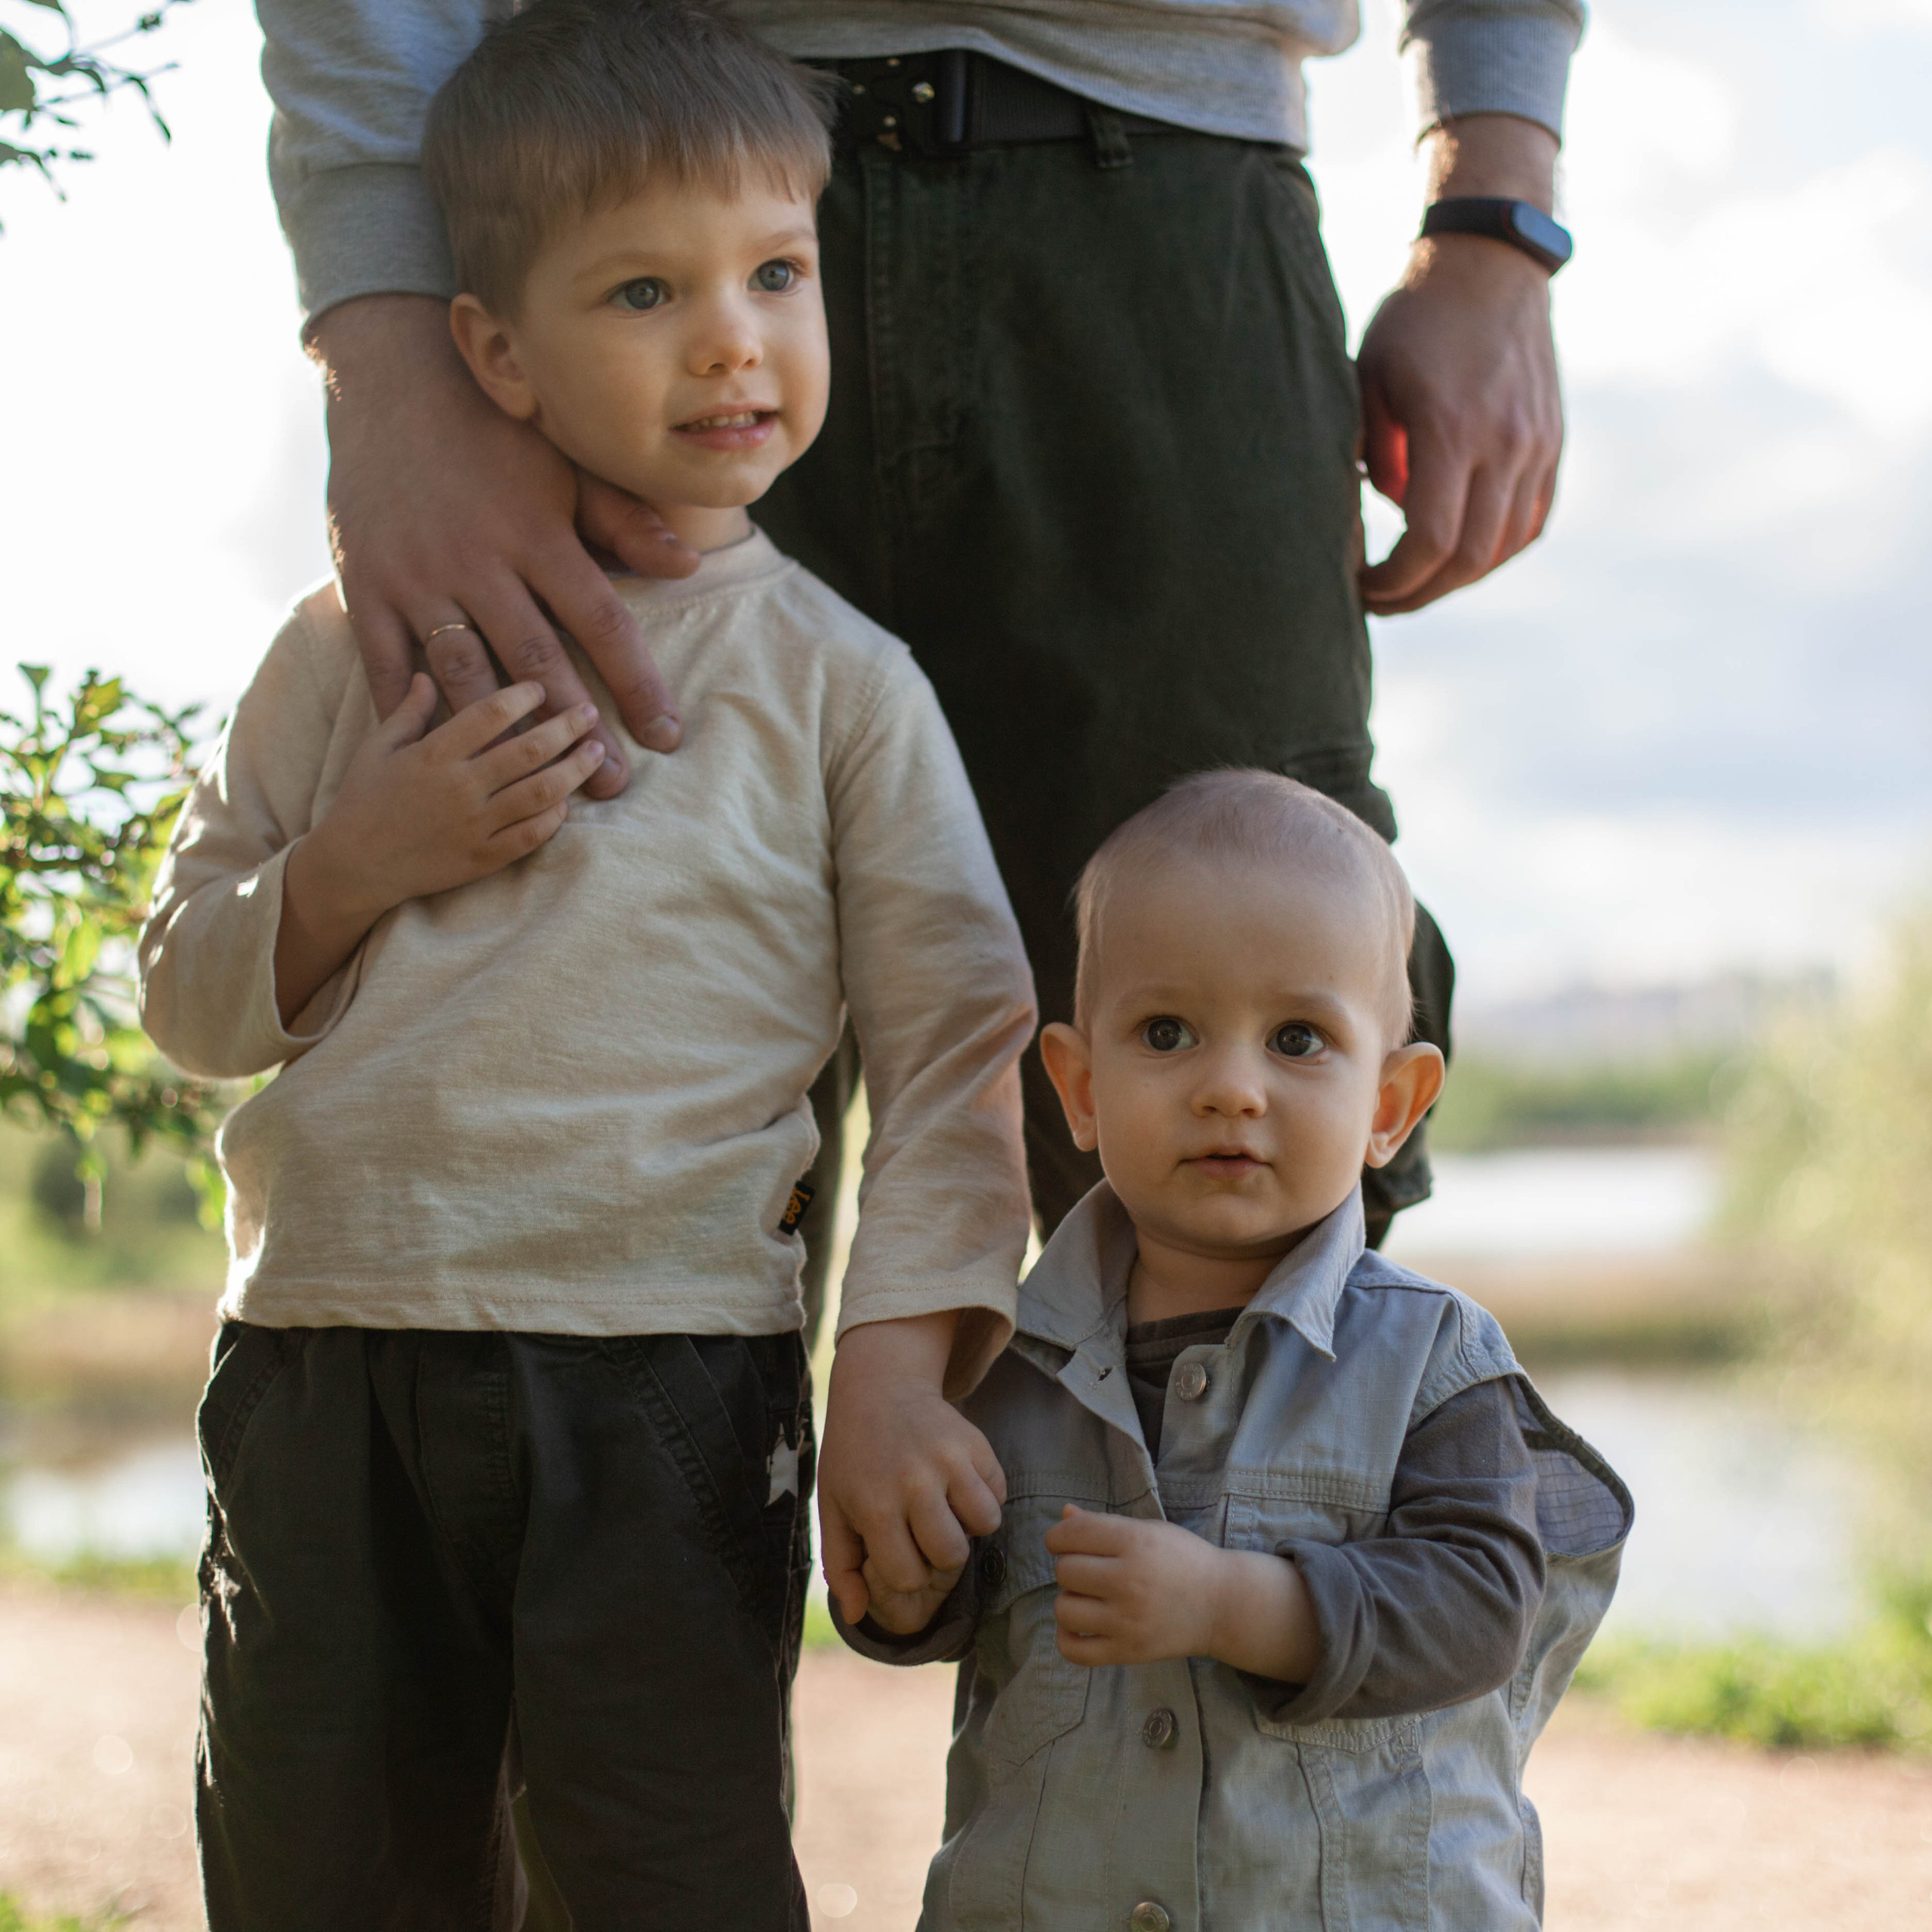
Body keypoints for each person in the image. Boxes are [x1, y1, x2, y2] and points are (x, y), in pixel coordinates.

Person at [255, 0, 1587, 1301]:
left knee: (1248, 1069)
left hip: (1166, 222)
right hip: (622, 180)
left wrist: (1496, 217)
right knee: (594, 1127)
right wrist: (383, 336)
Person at [139, 6, 1035, 1924]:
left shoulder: (841, 689)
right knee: (322, 1877)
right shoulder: (351, 643)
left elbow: (963, 1044)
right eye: (645, 287)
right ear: (491, 349)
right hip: (325, 1365)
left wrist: (895, 1360)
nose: (732, 336)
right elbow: (183, 997)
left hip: (664, 1388)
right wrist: (358, 860)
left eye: (775, 272)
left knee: (664, 1881)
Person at [837, 769, 1631, 1930]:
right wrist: (911, 1593)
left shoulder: (1433, 1358)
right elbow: (966, 1625)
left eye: (1298, 1038)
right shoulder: (1011, 1366)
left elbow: (1482, 1607)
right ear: (1080, 1085)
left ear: (1391, 1106)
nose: (1229, 1088)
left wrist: (1237, 1605)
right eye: (1169, 1033)